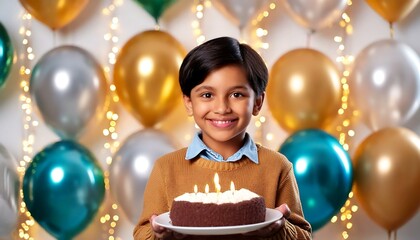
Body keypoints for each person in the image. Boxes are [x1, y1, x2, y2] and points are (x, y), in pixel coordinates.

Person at [133, 36, 312, 240]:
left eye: (236, 95)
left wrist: (279, 231)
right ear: (189, 103)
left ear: (258, 102)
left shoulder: (277, 167)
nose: (222, 108)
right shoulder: (166, 169)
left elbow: (303, 236)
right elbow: (142, 233)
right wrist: (160, 236)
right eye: (207, 95)